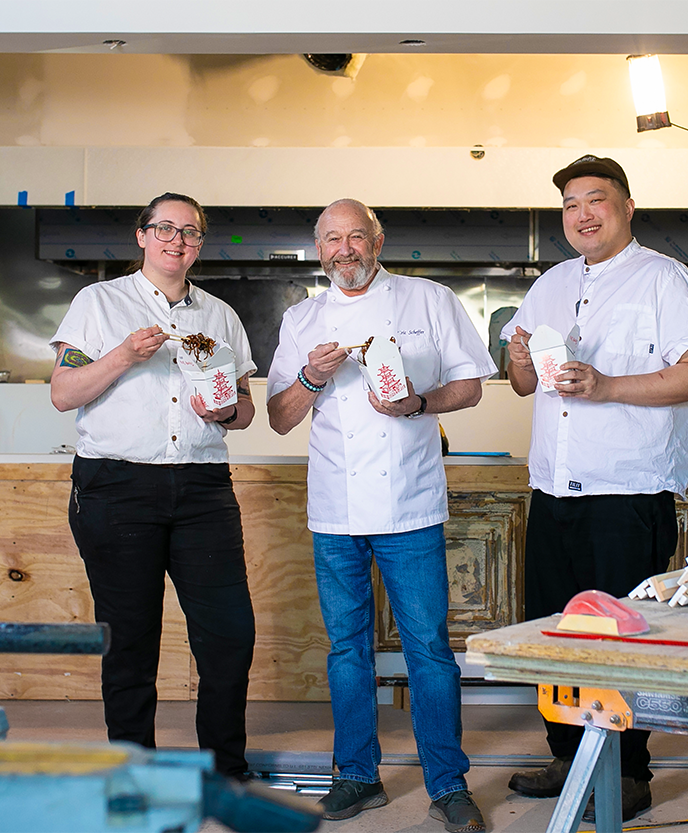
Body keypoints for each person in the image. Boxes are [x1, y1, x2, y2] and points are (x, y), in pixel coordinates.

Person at [502, 156, 688, 821]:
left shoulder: (662, 277)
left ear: (627, 206)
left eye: (595, 200)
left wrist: (607, 385)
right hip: (554, 494)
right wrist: (515, 359)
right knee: (557, 633)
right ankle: (568, 757)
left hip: (626, 496)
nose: (582, 214)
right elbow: (523, 383)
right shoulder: (549, 284)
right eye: (571, 204)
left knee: (624, 638)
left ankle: (627, 770)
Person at [267, 199, 497, 833]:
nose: (346, 249)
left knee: (428, 648)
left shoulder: (428, 300)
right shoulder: (302, 318)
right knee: (346, 650)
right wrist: (312, 378)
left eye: (356, 237)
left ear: (378, 239)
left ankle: (448, 785)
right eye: (332, 239)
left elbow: (471, 384)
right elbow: (280, 416)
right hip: (334, 510)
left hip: (411, 505)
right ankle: (357, 777)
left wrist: (417, 403)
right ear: (319, 249)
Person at [49, 192, 257, 778]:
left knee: (228, 637)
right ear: (142, 236)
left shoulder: (219, 315)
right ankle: (134, 772)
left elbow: (244, 410)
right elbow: (63, 394)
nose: (177, 239)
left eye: (190, 232)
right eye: (164, 228)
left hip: (202, 489)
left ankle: (224, 770)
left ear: (199, 244)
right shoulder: (99, 302)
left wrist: (225, 412)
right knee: (130, 640)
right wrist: (120, 356)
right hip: (116, 487)